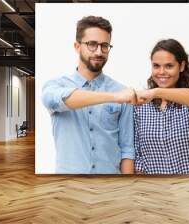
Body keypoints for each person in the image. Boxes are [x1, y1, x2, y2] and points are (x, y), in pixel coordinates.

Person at [42, 16, 136, 174]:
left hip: (109, 186)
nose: (99, 52)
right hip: (68, 186)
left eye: (104, 46)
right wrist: (114, 97)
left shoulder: (122, 91)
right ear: (77, 46)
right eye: (92, 44)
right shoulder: (55, 86)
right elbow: (65, 99)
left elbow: (127, 149)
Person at [134, 39, 189, 174]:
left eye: (169, 66)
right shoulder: (141, 106)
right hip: (155, 189)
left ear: (182, 66)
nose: (161, 72)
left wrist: (157, 92)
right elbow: (136, 153)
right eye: (156, 66)